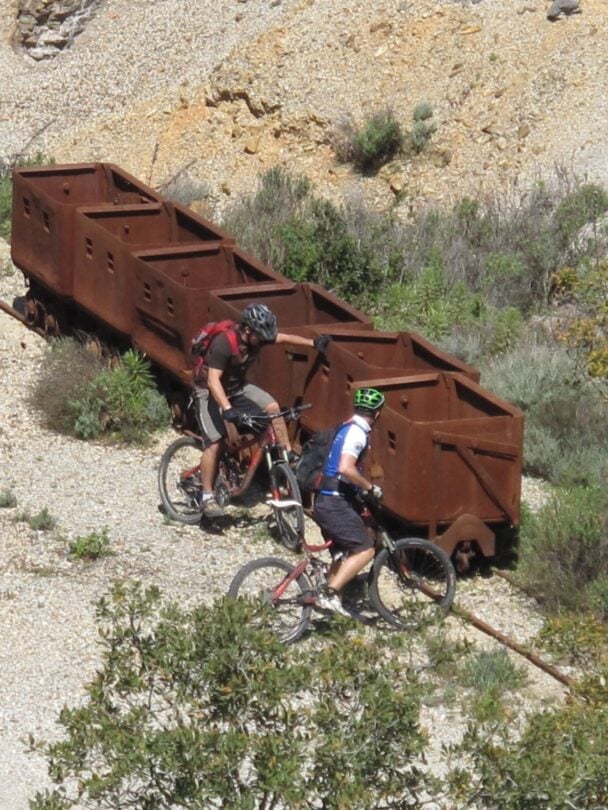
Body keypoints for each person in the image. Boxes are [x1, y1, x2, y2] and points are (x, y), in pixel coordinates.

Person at [194, 302, 330, 517]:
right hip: (209, 391)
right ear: (248, 330)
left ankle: (286, 457)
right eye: (260, 335)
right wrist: (227, 408)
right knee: (215, 443)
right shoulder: (224, 343)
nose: (264, 340)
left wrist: (313, 343)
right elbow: (212, 380)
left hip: (237, 388)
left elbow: (283, 338)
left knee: (273, 407)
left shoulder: (258, 337)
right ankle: (207, 496)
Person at [312, 386, 385, 616]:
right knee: (365, 550)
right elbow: (345, 468)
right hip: (334, 502)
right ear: (378, 413)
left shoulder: (346, 427)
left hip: (326, 498)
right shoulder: (357, 433)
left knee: (342, 551)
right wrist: (369, 487)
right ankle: (329, 593)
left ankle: (333, 601)